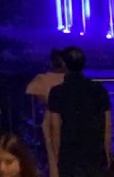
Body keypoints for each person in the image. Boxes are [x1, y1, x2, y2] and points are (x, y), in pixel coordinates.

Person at [48, 47, 112, 177]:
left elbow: (56, 129)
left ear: (64, 64)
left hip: (70, 154)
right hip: (95, 152)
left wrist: (57, 158)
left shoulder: (57, 92)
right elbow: (107, 125)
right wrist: (107, 152)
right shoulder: (99, 89)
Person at [26, 49, 67, 177]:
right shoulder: (69, 78)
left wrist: (46, 101)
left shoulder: (44, 78)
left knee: (53, 156)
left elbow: (31, 89)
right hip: (69, 119)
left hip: (51, 119)